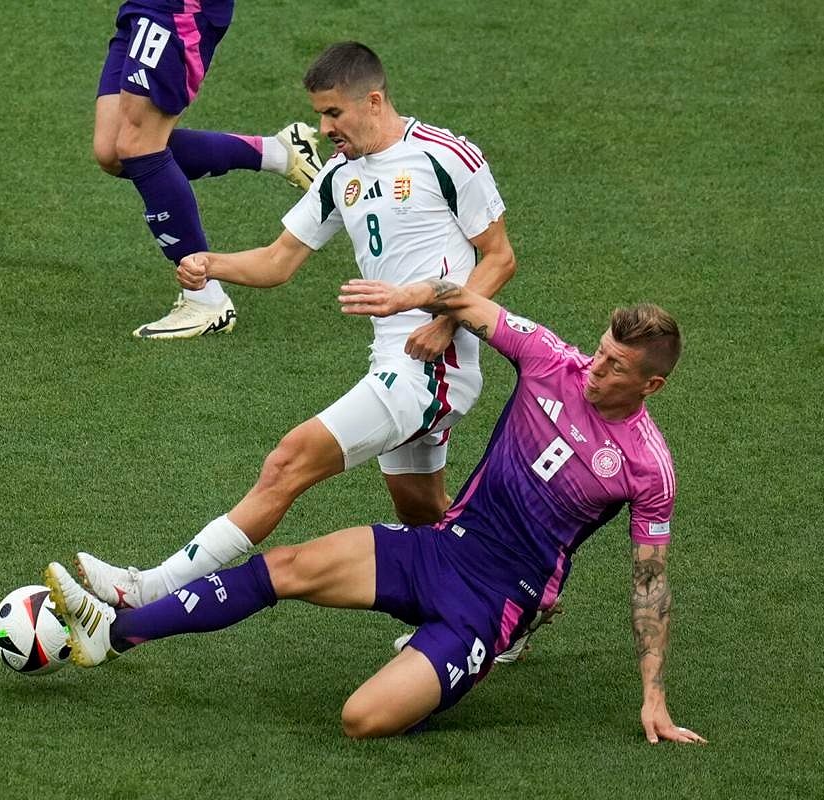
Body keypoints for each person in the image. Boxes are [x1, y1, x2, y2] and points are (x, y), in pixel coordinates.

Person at [43, 279, 706, 744]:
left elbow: (650, 583)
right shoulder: (551, 362)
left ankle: (452, 657)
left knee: (362, 720)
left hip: (495, 603)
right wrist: (408, 298)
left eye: (615, 367)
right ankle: (112, 635)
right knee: (286, 567)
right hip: (443, 548)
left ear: (651, 385)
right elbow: (469, 299)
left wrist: (653, 692)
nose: (594, 369)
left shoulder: (650, 467)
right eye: (599, 351)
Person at [72, 41, 517, 608]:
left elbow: (499, 256)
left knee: (287, 462)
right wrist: (213, 263)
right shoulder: (339, 176)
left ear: (373, 101)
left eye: (333, 112)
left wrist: (447, 325)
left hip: (431, 365)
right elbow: (279, 260)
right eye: (319, 113)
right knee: (422, 512)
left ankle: (148, 587)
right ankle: (518, 601)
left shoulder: (445, 156)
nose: (323, 125)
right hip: (394, 362)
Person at [95, 0, 326, 338]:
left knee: (138, 144)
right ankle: (279, 153)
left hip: (174, 10)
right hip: (145, 6)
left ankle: (205, 298)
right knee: (112, 149)